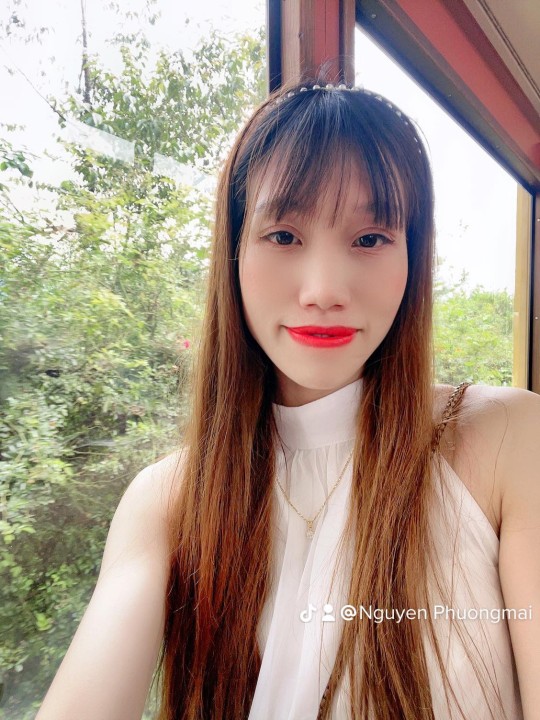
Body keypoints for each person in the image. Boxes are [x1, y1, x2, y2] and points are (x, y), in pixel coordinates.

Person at [36, 79, 540, 720]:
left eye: (370, 238)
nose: (324, 290)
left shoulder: (506, 438)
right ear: (234, 251)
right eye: (282, 235)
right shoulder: (170, 499)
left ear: (412, 257)